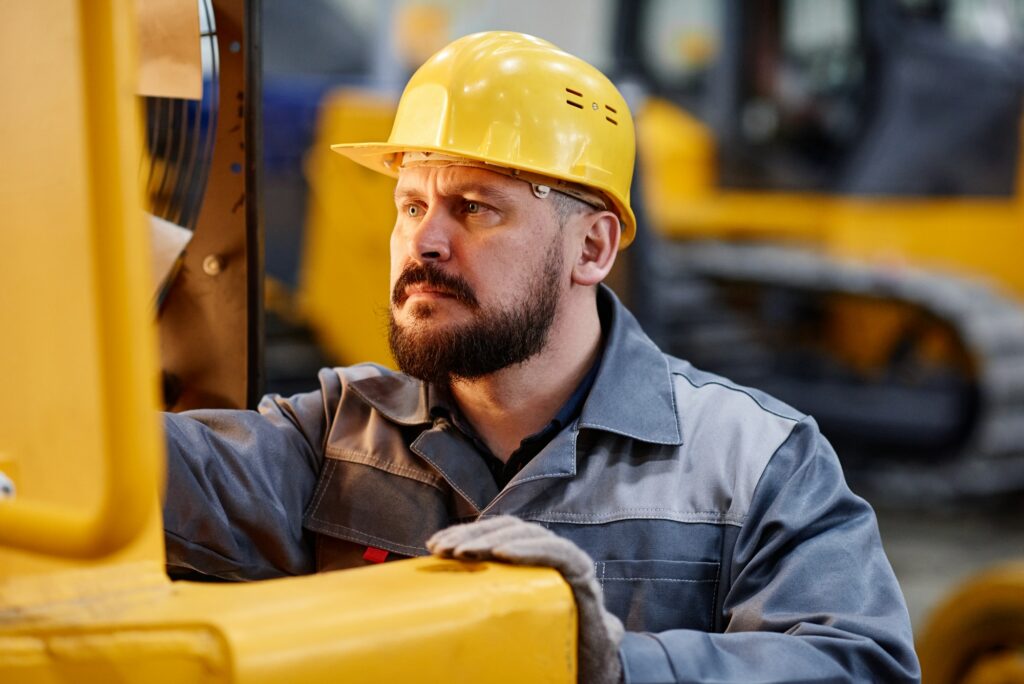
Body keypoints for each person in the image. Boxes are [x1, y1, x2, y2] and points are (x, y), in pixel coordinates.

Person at [163, 31, 920, 683]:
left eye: (475, 207)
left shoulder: (751, 462)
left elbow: (861, 663)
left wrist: (615, 664)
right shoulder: (334, 438)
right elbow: (128, 470)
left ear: (591, 247)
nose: (424, 241)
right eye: (412, 204)